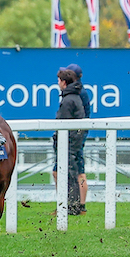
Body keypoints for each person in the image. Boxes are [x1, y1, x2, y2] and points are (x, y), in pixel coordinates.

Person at [52, 68, 86, 214]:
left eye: (59, 80)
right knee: (72, 173)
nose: (58, 83)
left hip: (69, 143)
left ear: (64, 82)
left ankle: (72, 207)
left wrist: (58, 140)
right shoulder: (75, 96)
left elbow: (62, 124)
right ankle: (74, 206)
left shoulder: (68, 99)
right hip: (74, 141)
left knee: (69, 174)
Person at [64, 63, 90, 211]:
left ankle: (80, 205)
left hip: (76, 136)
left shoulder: (79, 93)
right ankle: (69, 203)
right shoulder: (78, 91)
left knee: (79, 171)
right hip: (77, 134)